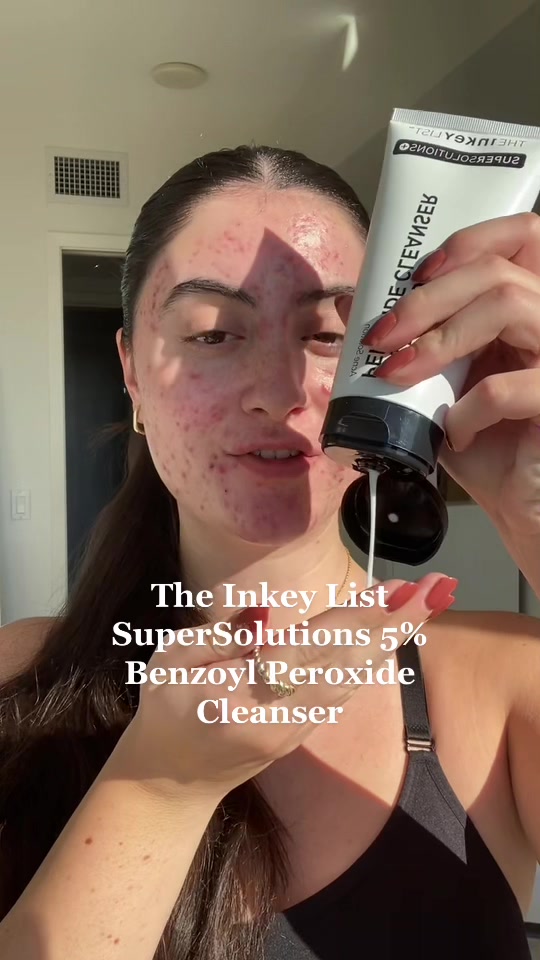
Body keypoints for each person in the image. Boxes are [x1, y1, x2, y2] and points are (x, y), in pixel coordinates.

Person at [0, 145, 539, 960]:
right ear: (132, 373)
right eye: (214, 333)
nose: (281, 391)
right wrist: (159, 787)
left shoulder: (504, 683)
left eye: (328, 335)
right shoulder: (19, 683)